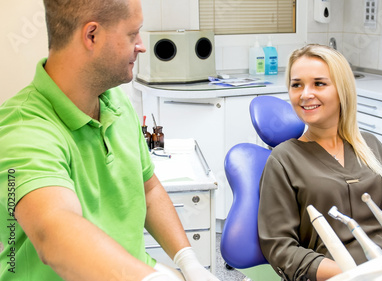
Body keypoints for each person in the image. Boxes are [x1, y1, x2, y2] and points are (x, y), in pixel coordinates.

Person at [0, 1, 219, 280]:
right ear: (92, 35)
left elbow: (148, 188)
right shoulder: (23, 129)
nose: (141, 45)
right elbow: (54, 235)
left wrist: (188, 262)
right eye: (132, 34)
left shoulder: (114, 100)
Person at [257, 44, 382, 281]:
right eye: (297, 85)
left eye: (319, 83)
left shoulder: (370, 145)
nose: (305, 94)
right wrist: (357, 274)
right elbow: (280, 248)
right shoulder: (283, 160)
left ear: (342, 90)